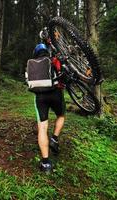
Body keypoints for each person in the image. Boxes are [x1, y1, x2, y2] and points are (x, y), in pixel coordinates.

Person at [28, 43, 66, 173]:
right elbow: (64, 75)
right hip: (55, 94)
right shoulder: (53, 60)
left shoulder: (30, 64)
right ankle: (54, 138)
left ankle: (46, 164)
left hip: (40, 97)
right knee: (61, 115)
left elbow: (28, 83)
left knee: (42, 127)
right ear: (46, 51)